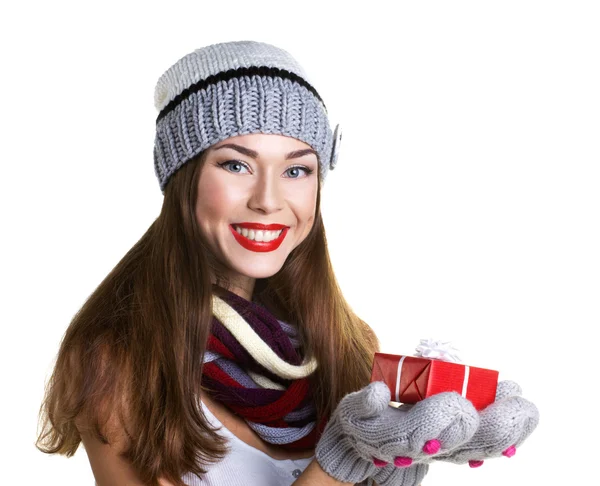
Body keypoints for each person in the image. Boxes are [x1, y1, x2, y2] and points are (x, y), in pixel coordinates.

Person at [36, 40, 539, 486]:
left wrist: (394, 466)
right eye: (236, 164)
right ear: (181, 178)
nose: (269, 200)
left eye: (297, 169)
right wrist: (342, 463)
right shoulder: (118, 363)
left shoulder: (346, 343)